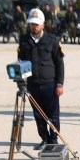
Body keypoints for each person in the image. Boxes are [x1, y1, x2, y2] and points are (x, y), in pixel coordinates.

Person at [17, 9, 65, 149]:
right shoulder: (24, 40)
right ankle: (44, 138)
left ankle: (53, 139)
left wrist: (60, 84)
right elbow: (20, 61)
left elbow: (59, 64)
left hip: (50, 85)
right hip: (32, 85)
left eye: (36, 24)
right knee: (38, 115)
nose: (34, 27)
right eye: (32, 24)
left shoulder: (52, 41)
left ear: (43, 25)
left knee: (53, 115)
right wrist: (22, 82)